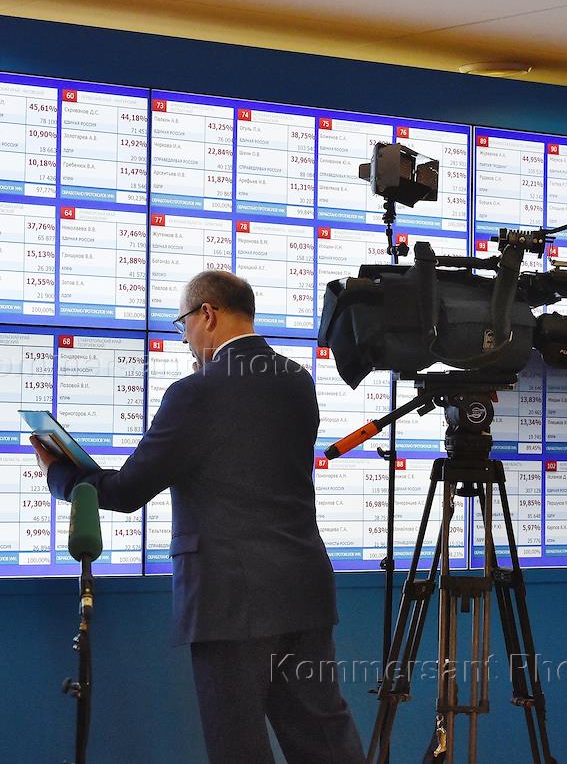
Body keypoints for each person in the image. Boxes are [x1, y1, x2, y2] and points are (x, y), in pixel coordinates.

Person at [30, 270, 365, 764]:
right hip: (303, 588)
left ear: (207, 313)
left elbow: (127, 491)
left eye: (183, 323)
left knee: (238, 748)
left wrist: (58, 473)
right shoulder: (297, 380)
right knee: (323, 739)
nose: (184, 339)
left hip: (229, 599)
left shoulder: (195, 391)